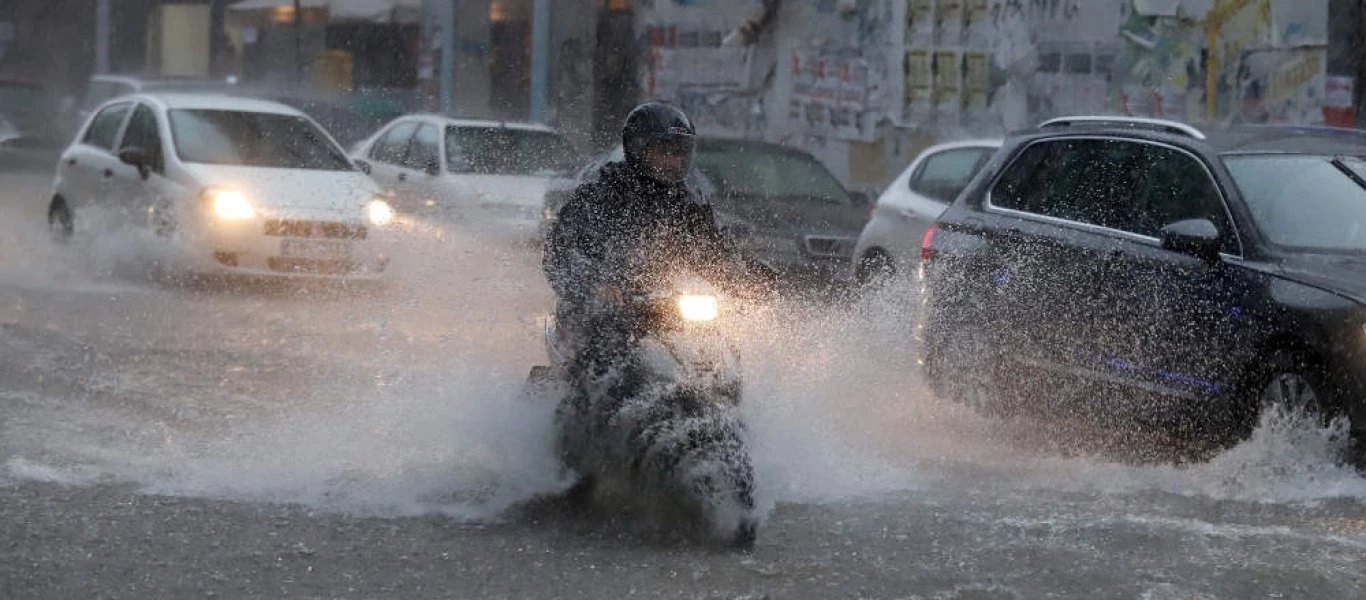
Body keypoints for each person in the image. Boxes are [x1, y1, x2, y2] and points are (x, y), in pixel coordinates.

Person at [542, 101, 754, 377]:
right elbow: (561, 254)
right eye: (663, 151)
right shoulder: (601, 195)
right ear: (638, 148)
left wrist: (751, 281)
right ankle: (587, 413)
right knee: (603, 358)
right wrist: (595, 283)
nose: (672, 160)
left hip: (667, 307)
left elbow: (714, 254)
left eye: (678, 152)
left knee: (718, 351)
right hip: (604, 310)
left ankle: (725, 404)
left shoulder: (689, 202)